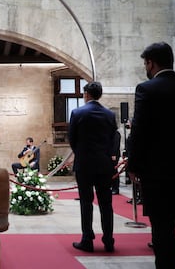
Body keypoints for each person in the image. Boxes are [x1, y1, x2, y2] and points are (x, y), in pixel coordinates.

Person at [127, 42, 175, 268]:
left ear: (151, 62)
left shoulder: (147, 89)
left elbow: (139, 131)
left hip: (158, 175)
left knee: (163, 231)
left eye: (145, 63)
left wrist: (133, 165)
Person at [68, 81, 117, 253]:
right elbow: (113, 138)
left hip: (85, 164)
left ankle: (87, 240)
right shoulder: (110, 115)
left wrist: (81, 153)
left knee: (86, 203)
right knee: (106, 203)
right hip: (104, 165)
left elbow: (72, 139)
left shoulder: (77, 113)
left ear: (87, 94)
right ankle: (109, 240)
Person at [111, 130, 121, 195]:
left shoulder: (115, 133)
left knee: (114, 171)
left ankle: (115, 188)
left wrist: (113, 154)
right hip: (109, 155)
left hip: (114, 155)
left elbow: (115, 144)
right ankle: (112, 186)